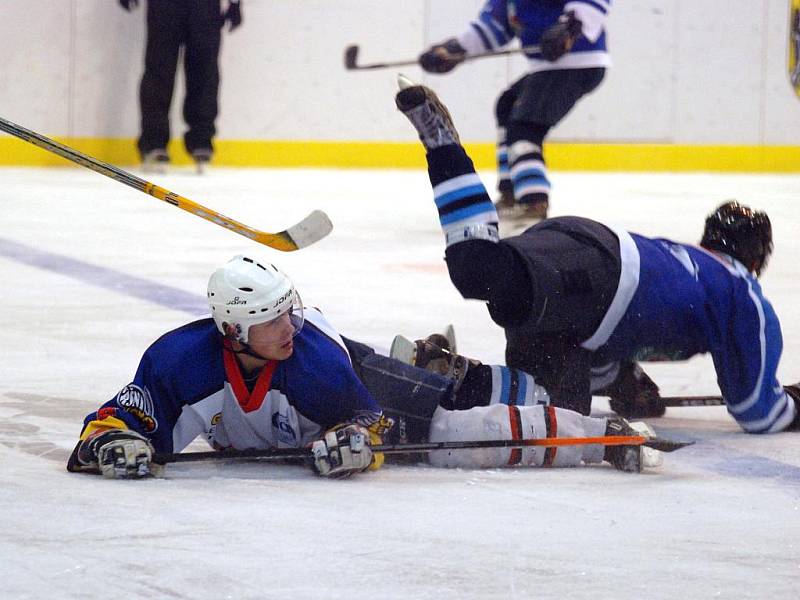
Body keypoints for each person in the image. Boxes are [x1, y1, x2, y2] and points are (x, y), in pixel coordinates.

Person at [394, 74, 800, 434]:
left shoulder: (689, 263)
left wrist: (620, 377)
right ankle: (443, 147)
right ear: (757, 259)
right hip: (597, 277)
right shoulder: (741, 292)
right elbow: (758, 412)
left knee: (560, 412)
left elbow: (629, 324)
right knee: (478, 269)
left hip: (585, 276)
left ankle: (451, 373)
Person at [66, 255, 663, 480]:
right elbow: (118, 419)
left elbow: (370, 422)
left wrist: (358, 443)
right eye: (272, 321)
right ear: (232, 331)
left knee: (451, 428)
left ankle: (599, 437)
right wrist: (110, 446)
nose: (288, 327)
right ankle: (423, 365)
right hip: (322, 388)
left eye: (289, 311)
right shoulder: (179, 360)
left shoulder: (312, 358)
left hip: (355, 369)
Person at [418, 0, 611, 223]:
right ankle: (511, 191)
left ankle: (533, 201)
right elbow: (493, 29)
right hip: (549, 67)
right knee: (507, 107)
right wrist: (454, 49)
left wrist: (572, 24)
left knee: (524, 127)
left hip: (576, 64)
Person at [119, 0, 243, 171]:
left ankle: (201, 141)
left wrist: (235, 3)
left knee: (205, 72)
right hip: (164, 6)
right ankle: (154, 142)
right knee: (159, 71)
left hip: (205, 7)